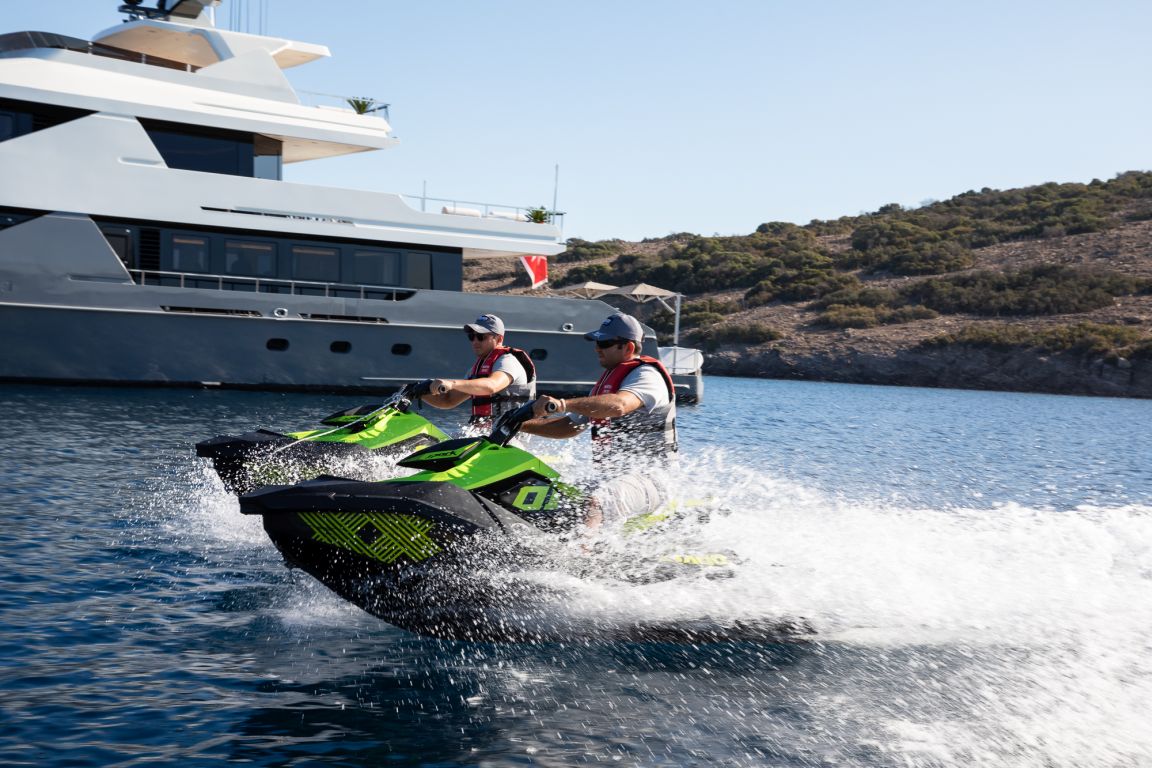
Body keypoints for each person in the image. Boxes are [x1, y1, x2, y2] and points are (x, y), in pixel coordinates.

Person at [522, 311, 677, 528]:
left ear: (628, 347)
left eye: (604, 343)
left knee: (594, 501)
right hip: (613, 478)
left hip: (651, 480)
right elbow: (569, 427)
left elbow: (620, 405)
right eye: (596, 342)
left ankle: (581, 550)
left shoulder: (647, 376)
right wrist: (522, 426)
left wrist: (562, 404)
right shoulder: (608, 383)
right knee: (554, 498)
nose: (597, 348)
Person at [419, 313, 536, 429]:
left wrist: (452, 383)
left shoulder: (508, 361)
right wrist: (417, 392)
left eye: (481, 337)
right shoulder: (476, 370)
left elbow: (492, 386)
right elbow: (448, 401)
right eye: (472, 336)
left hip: (510, 436)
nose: (475, 341)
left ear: (499, 339)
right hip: (488, 435)